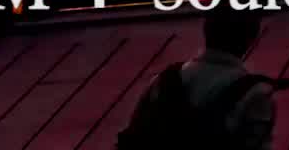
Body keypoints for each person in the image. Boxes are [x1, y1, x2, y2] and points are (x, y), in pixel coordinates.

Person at [116, 13, 280, 150]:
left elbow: (132, 137)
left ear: (207, 31)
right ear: (251, 38)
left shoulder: (164, 80)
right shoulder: (256, 93)